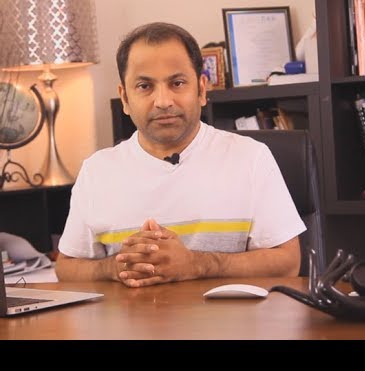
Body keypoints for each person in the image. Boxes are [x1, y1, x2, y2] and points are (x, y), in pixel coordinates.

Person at [55, 22, 305, 287]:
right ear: (125, 98)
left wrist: (197, 264)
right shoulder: (97, 171)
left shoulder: (250, 158)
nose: (163, 101)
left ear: (201, 90)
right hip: (131, 314)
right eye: (144, 86)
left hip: (226, 315)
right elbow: (66, 268)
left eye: (177, 83)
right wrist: (115, 267)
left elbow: (289, 263)